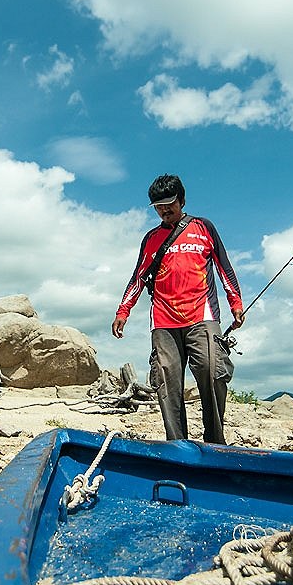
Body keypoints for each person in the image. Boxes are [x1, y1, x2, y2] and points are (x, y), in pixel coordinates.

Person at [112, 174, 244, 444]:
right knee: (166, 381)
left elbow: (224, 266)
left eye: (169, 204)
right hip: (163, 320)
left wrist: (236, 304)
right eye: (158, 206)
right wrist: (123, 311)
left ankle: (215, 442)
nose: (164, 210)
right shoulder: (150, 239)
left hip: (202, 316)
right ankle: (177, 444)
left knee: (212, 371)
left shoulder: (203, 227)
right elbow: (138, 277)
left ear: (181, 200)